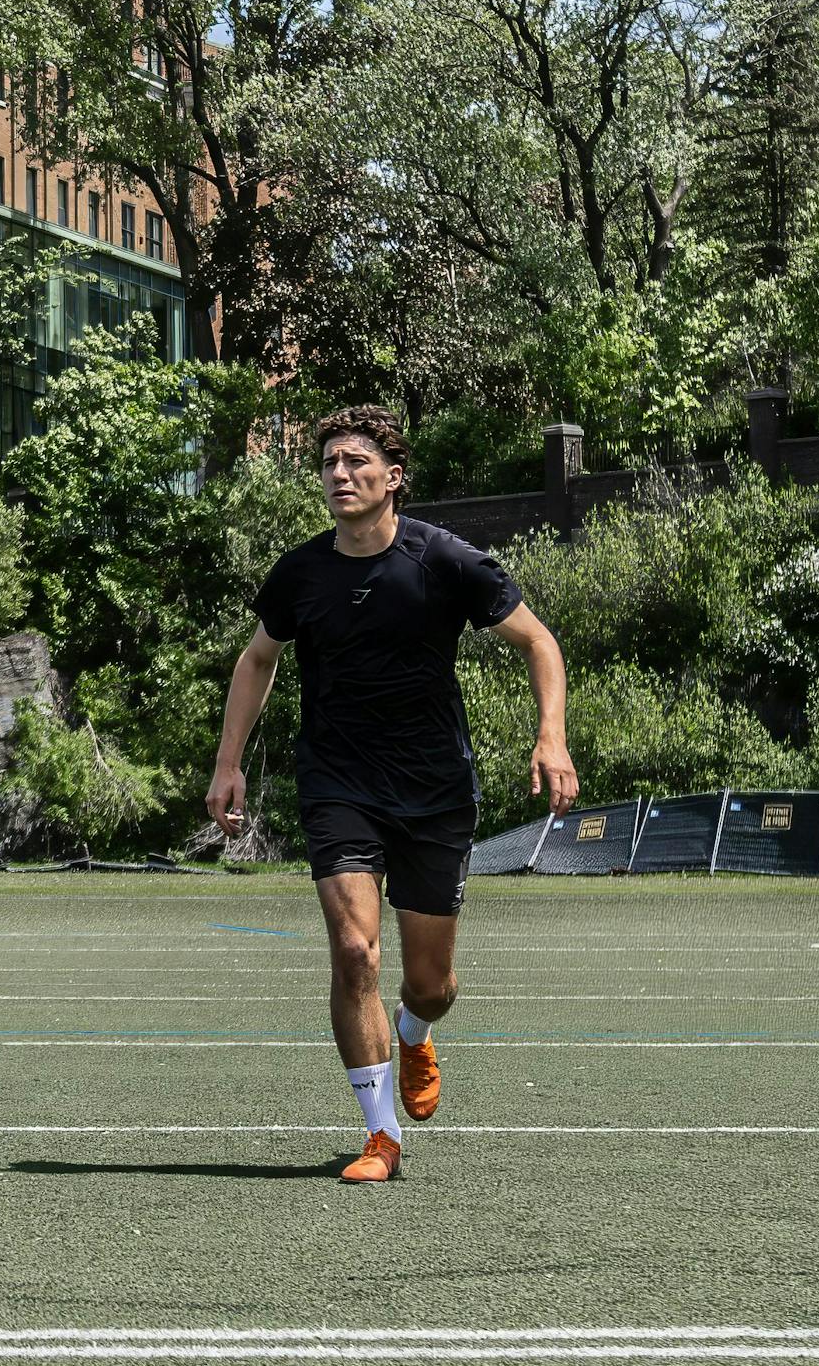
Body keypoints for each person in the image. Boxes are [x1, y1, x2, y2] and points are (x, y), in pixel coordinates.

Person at [209, 405, 576, 1184]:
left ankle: (414, 1031)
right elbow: (256, 660)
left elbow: (540, 642)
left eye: (356, 462)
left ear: (394, 476)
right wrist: (228, 761)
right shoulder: (301, 572)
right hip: (338, 783)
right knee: (353, 952)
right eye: (330, 463)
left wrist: (551, 737)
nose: (339, 475)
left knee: (432, 983)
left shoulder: (445, 560)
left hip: (435, 791)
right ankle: (380, 1137)